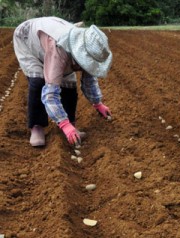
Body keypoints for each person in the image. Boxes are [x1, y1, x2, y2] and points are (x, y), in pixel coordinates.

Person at [13, 17, 112, 147]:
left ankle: (71, 124)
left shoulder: (88, 49)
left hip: (52, 41)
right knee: (38, 81)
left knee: (69, 87)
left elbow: (89, 80)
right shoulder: (59, 50)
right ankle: (37, 126)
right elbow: (50, 95)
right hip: (27, 40)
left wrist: (97, 103)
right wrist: (64, 125)